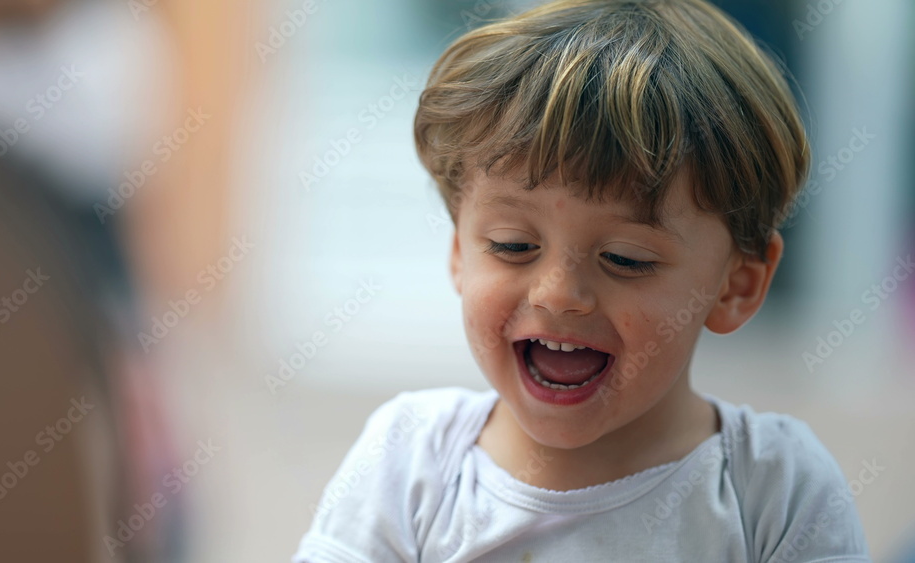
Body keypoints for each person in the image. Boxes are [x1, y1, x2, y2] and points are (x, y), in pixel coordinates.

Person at [293, 0, 870, 560]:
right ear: (459, 254)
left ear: (736, 286)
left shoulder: (774, 489)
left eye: (625, 258)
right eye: (513, 246)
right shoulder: (409, 461)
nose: (558, 294)